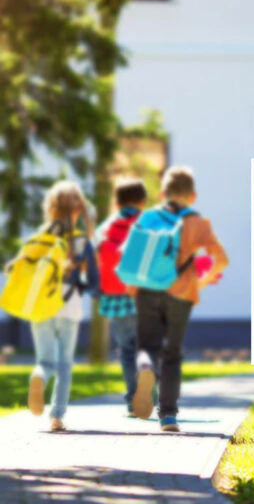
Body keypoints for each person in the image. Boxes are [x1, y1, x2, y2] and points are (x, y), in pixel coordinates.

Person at [132, 166, 228, 432]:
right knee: (172, 353)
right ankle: (169, 416)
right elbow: (222, 260)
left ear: (163, 193)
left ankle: (145, 369)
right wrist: (202, 281)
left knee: (147, 346)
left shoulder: (148, 219)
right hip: (182, 293)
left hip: (148, 290)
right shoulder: (198, 223)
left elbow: (132, 260)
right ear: (192, 196)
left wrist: (134, 289)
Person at [27, 180, 98, 431]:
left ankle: (38, 377)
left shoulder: (40, 238)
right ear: (78, 209)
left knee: (45, 361)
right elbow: (93, 280)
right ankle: (57, 416)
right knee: (65, 363)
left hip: (40, 306)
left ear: (51, 207)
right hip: (69, 305)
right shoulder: (80, 241)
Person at [96, 177, 147, 416]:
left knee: (126, 349)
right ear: (143, 201)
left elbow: (93, 258)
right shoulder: (148, 223)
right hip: (146, 295)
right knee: (147, 347)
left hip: (115, 295)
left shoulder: (106, 227)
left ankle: (132, 400)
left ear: (117, 202)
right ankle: (150, 397)